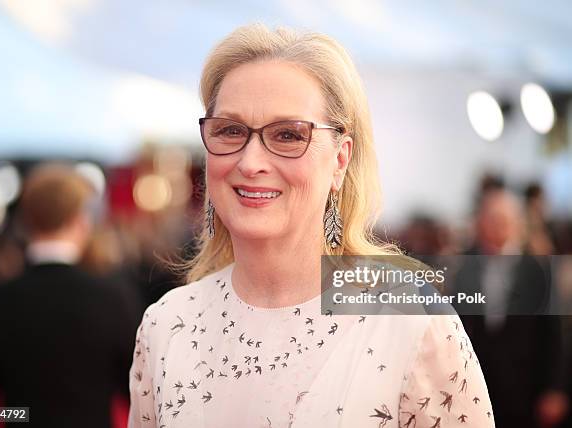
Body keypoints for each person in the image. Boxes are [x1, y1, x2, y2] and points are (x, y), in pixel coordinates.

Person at [128, 24, 494, 427]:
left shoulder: (408, 323)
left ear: (340, 159)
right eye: (230, 131)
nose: (250, 163)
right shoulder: (167, 326)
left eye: (288, 135)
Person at [0, 163, 141, 428]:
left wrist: (21, 416)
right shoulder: (112, 298)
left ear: (27, 221)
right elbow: (136, 389)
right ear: (80, 220)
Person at [457, 188, 567, 427]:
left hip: (526, 388)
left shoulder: (539, 270)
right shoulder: (465, 266)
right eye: (491, 220)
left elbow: (554, 333)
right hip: (479, 385)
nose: (497, 227)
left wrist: (555, 388)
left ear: (517, 224)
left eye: (504, 220)